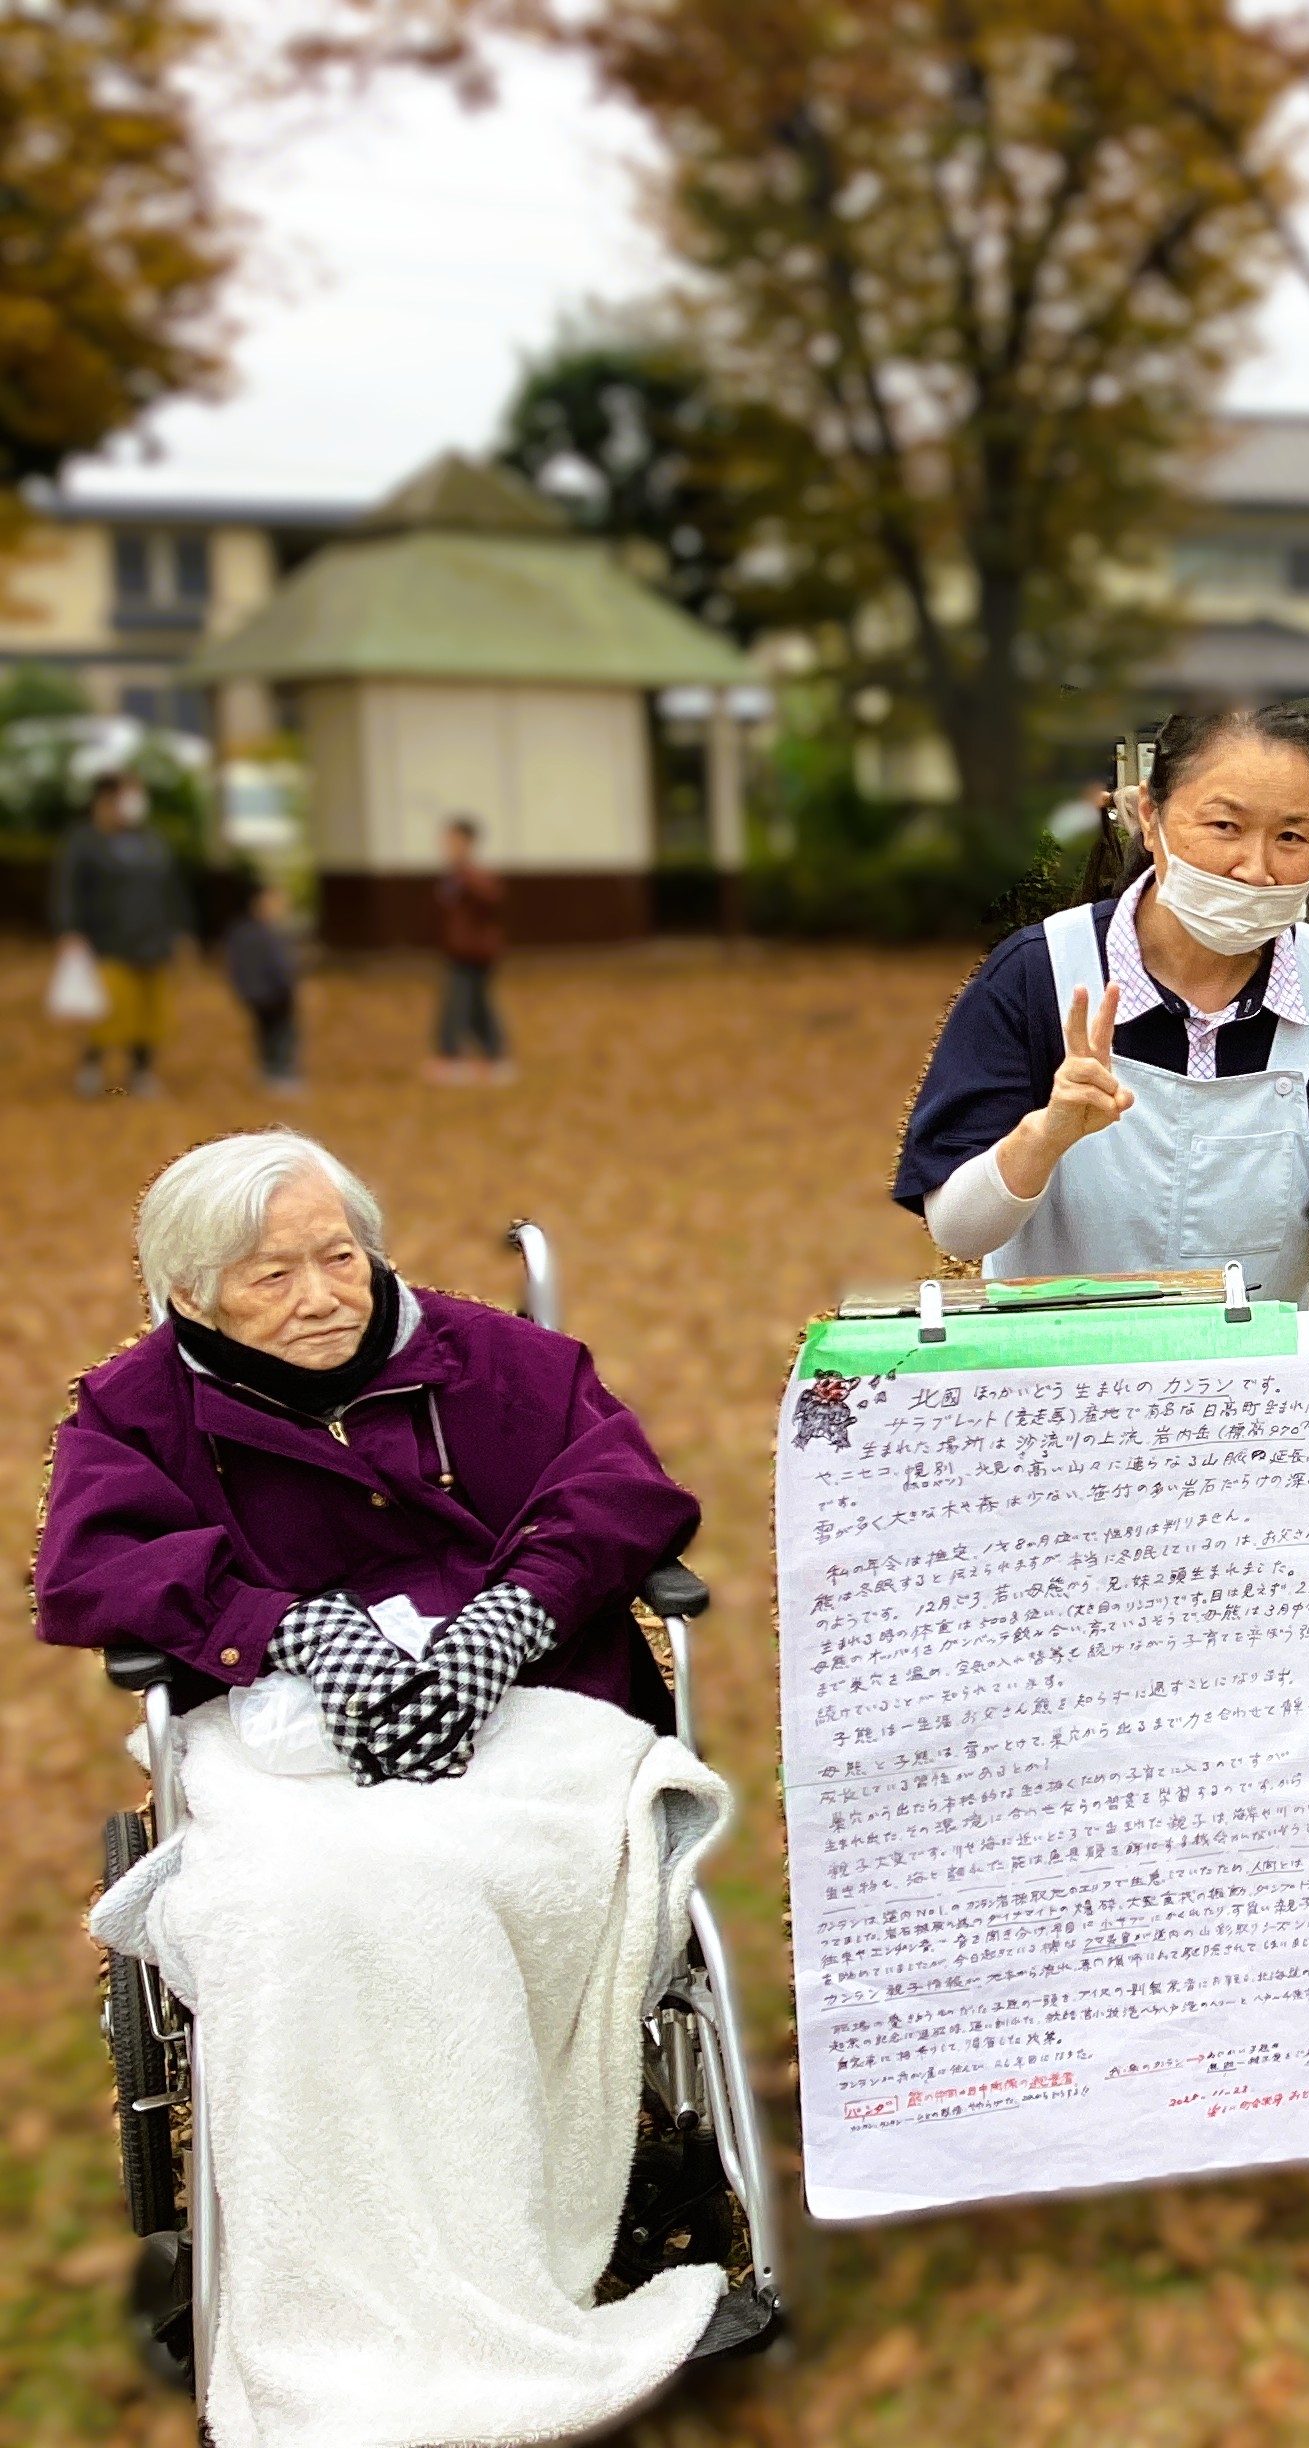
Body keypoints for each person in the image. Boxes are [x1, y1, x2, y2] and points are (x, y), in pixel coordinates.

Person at [38, 1131, 736, 2438]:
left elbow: (621, 1493)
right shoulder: (135, 1411)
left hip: (534, 1715)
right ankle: (358, 2307)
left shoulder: (502, 1363)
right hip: (282, 1741)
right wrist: (289, 1632)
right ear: (187, 1295)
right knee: (305, 1902)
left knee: (481, 1873)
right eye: (269, 1276)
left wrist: (502, 1629)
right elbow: (96, 1566)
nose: (319, 1296)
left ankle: (522, 2245)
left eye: (338, 1257)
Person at [897, 702, 1309, 1303]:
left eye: (1291, 836)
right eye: (1224, 826)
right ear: (1150, 818)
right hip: (1056, 1379)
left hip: (1248, 1383)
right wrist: (1045, 1136)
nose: (1255, 870)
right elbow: (958, 1232)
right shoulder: (1037, 974)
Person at [51, 767, 189, 1099]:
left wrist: (181, 930)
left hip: (153, 943)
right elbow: (66, 889)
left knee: (150, 1015)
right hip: (108, 943)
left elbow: (172, 890)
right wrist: (69, 930)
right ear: (105, 799)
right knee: (107, 1013)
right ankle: (92, 1068)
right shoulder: (84, 841)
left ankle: (141, 1073)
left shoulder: (153, 841)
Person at [430, 815, 510, 1084]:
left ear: (467, 842)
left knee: (466, 1005)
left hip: (477, 953)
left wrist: (465, 876)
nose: (447, 845)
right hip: (458, 952)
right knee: (474, 1005)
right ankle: (490, 1056)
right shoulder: (452, 877)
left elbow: (494, 900)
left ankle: (458, 1057)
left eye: (453, 839)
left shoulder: (475, 877)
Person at [220, 875, 305, 1094]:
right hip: (275, 994)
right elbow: (281, 966)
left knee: (266, 1033)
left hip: (256, 995)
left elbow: (234, 966)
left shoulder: (241, 932)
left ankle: (270, 1071)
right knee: (280, 1033)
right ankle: (280, 1073)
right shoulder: (269, 935)